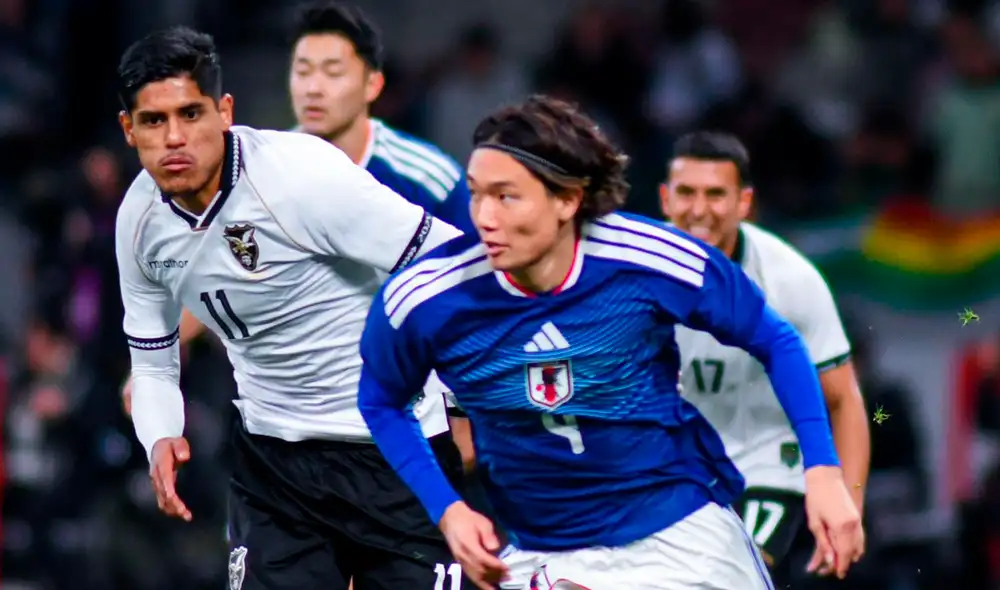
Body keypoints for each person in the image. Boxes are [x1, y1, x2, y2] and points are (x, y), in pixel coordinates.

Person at [356, 95, 865, 590]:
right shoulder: (425, 298)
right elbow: (380, 400)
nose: (484, 217)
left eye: (507, 196)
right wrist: (448, 510)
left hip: (683, 537)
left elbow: (776, 339)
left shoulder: (650, 259)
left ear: (567, 199)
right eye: (476, 193)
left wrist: (822, 470)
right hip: (543, 553)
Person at [115, 26, 473, 589]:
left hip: (396, 455)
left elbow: (447, 260)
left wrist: (460, 398)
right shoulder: (138, 224)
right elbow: (153, 359)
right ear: (128, 130)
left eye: (191, 113)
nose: (175, 138)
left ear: (225, 111)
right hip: (275, 467)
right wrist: (160, 433)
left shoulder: (300, 178)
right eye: (154, 121)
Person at [120, 0, 475, 411]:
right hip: (297, 411)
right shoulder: (263, 173)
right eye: (302, 70)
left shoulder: (426, 178)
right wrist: (154, 367)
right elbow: (219, 271)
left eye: (332, 72)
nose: (313, 87)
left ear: (372, 85)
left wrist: (460, 403)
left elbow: (470, 277)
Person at [661, 132, 870, 584]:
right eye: (687, 193)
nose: (699, 209)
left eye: (716, 194)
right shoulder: (636, 272)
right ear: (664, 198)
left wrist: (847, 505)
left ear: (744, 202)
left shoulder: (792, 280)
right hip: (673, 471)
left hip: (768, 467)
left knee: (731, 577)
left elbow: (844, 399)